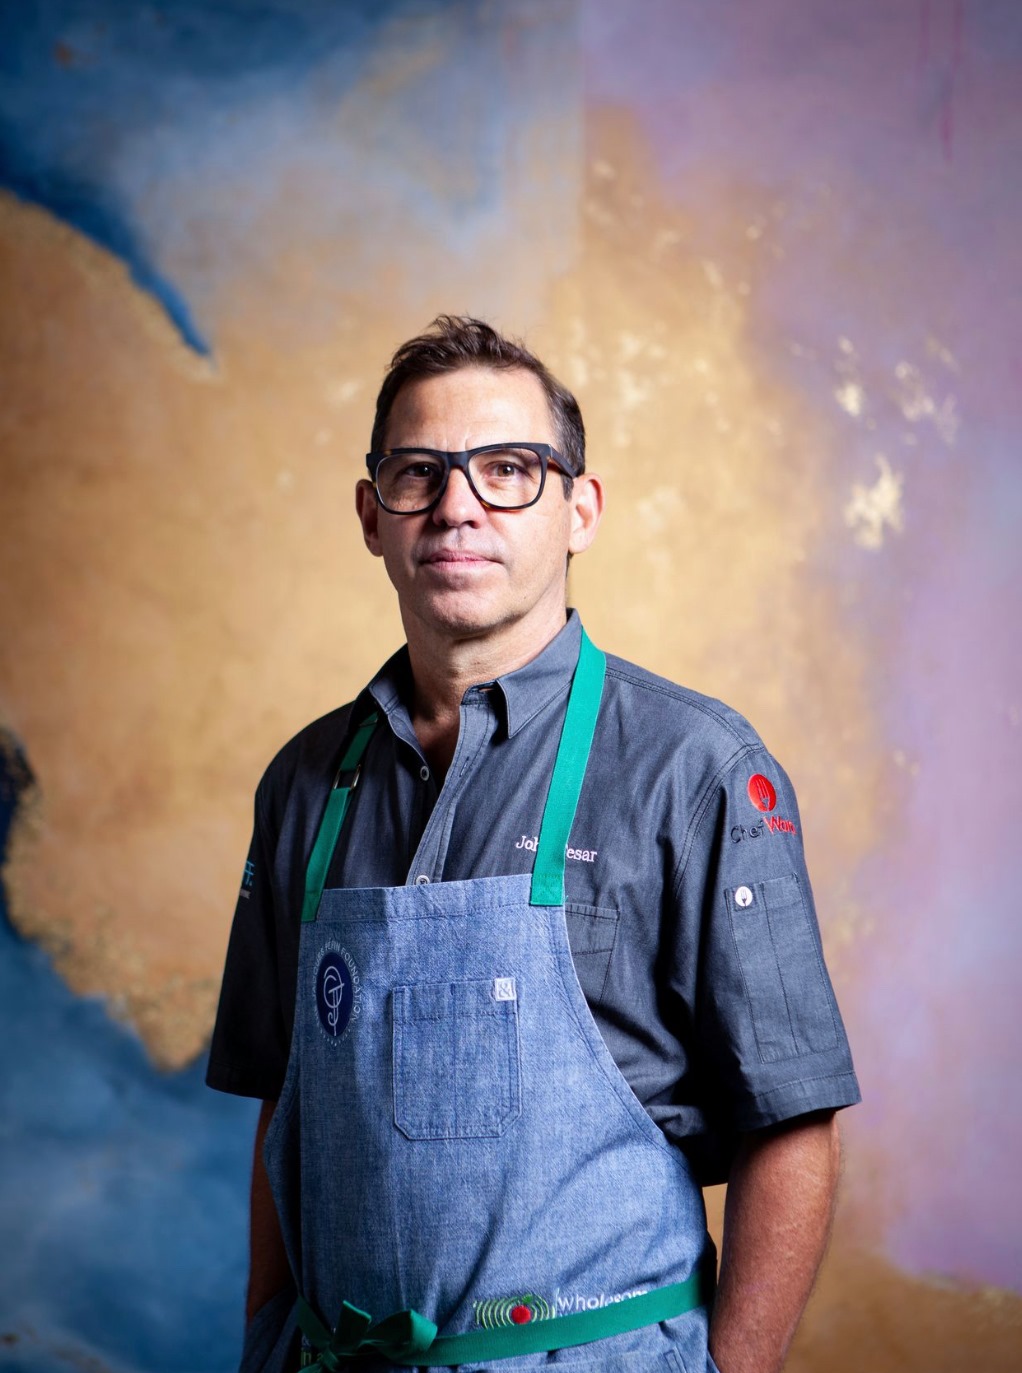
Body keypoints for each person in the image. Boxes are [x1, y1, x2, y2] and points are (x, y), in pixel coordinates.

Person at [207, 316, 860, 1373]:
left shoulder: (694, 768)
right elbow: (288, 1100)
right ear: (372, 515)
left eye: (508, 468)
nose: (457, 505)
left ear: (579, 508)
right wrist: (266, 1336)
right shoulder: (303, 782)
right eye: (419, 472)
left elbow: (789, 1128)